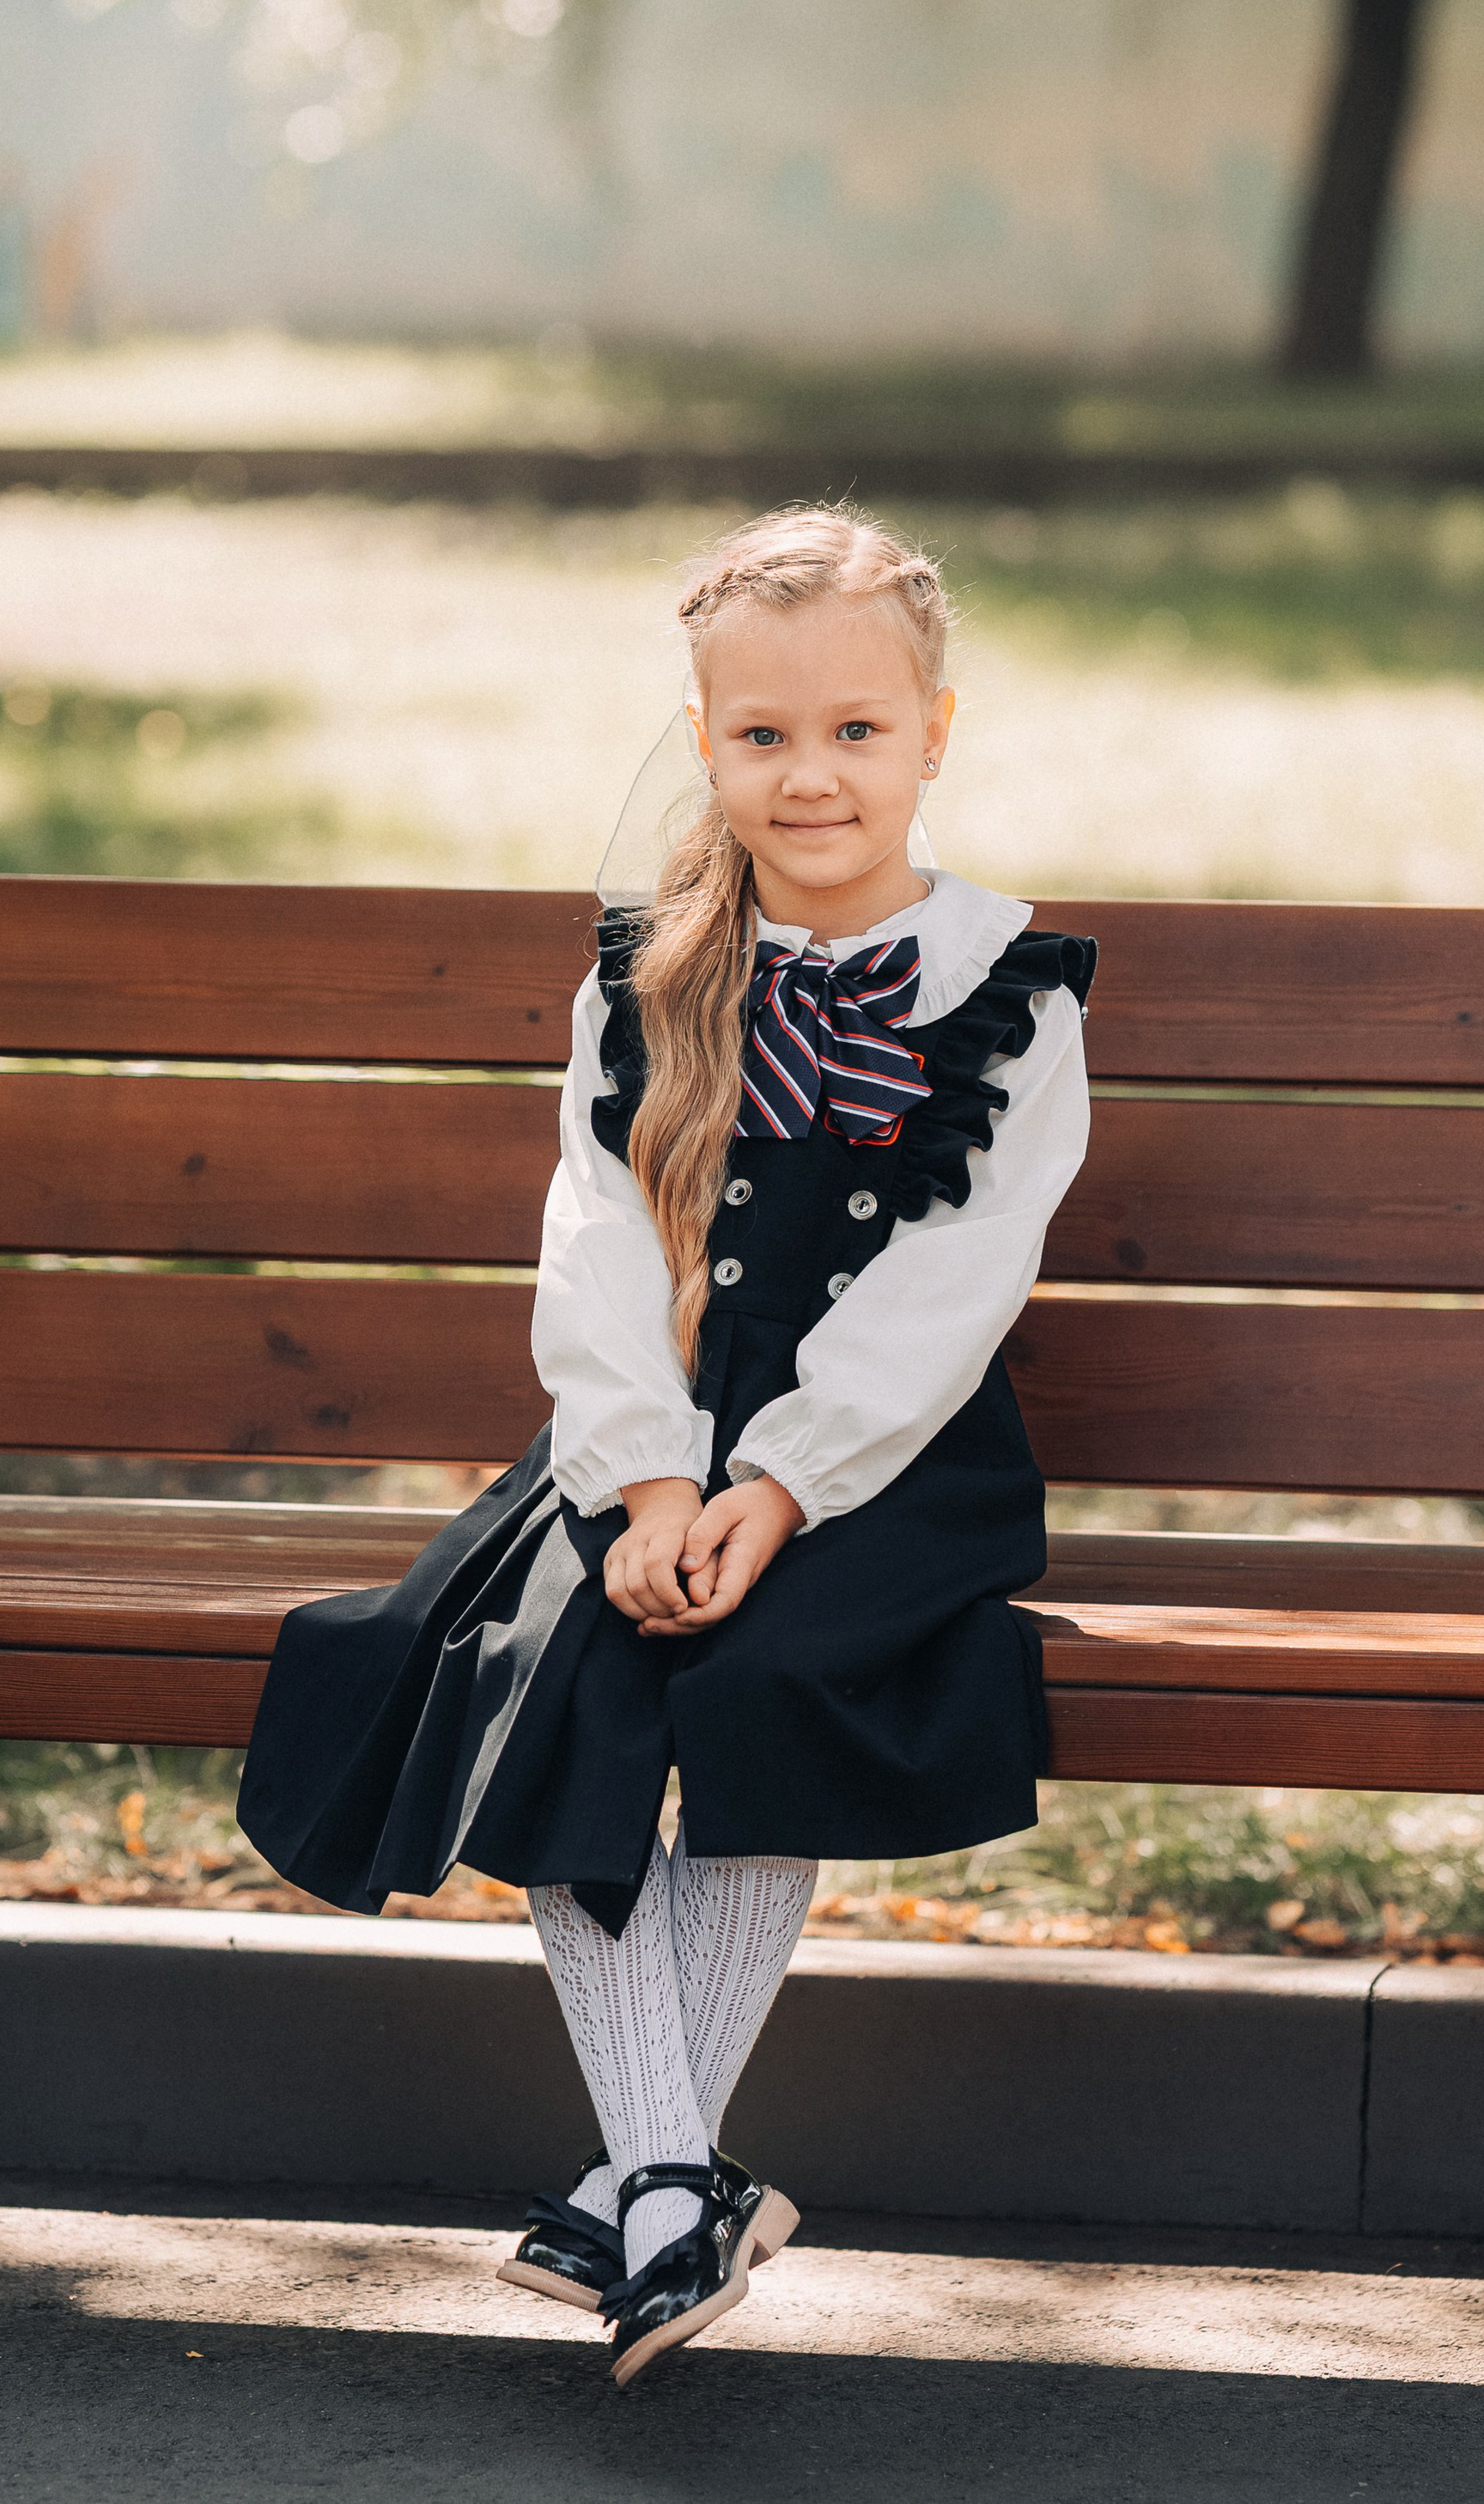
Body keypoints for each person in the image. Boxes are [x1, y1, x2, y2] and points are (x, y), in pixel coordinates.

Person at [237, 506, 1095, 2385]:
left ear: (933, 733)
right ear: (702, 740)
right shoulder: (644, 975)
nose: (811, 774)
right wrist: (642, 1481)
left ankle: (640, 2185)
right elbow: (594, 1240)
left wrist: (773, 1487)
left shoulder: (1005, 991)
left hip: (879, 1461)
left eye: (857, 731)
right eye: (762, 734)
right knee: (567, 1682)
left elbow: (953, 1284)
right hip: (642, 1446)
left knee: (771, 1675)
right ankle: (673, 2179)